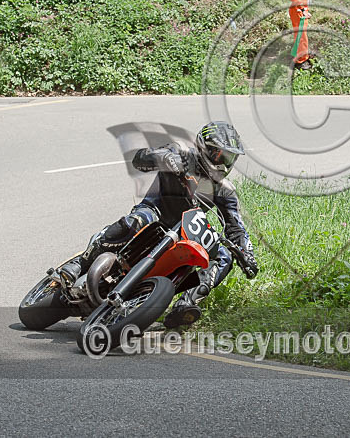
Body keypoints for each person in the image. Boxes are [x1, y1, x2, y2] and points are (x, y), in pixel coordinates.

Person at [56, 121, 259, 328]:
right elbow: (140, 158)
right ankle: (80, 263)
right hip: (155, 212)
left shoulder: (226, 190)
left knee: (223, 256)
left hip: (185, 233)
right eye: (220, 155)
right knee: (137, 221)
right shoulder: (180, 151)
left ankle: (186, 304)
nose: (224, 163)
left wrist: (247, 254)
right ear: (205, 147)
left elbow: (236, 227)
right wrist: (163, 158)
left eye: (230, 158)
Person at [288, 0, 313, 69]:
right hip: (298, 11)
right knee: (301, 36)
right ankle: (301, 61)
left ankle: (302, 55)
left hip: (302, 9)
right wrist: (303, 11)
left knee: (302, 35)